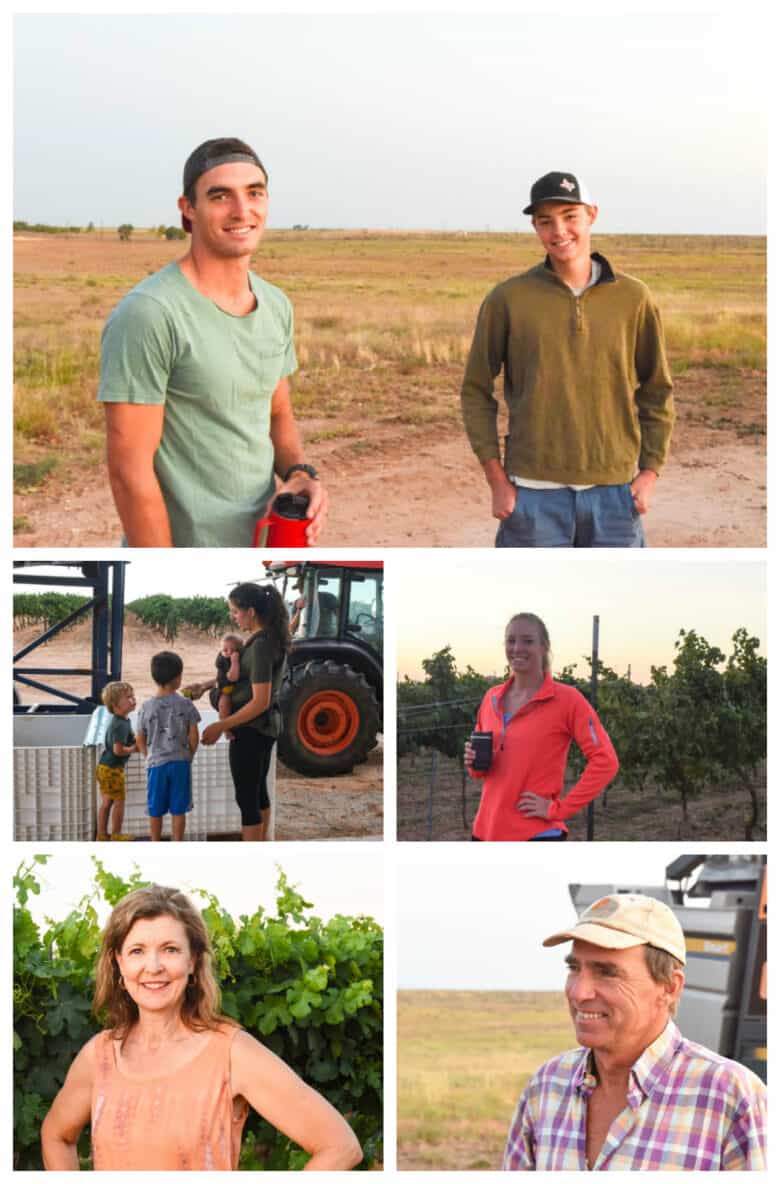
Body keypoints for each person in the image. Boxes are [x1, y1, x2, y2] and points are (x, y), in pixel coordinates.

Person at [97, 136, 328, 547]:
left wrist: (299, 474)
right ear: (189, 209)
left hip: (261, 543)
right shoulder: (150, 313)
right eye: (220, 196)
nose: (242, 211)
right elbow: (129, 473)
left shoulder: (275, 305)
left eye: (254, 193)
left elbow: (276, 414)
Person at [40, 885, 363, 1170]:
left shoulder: (231, 1053)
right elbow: (55, 1136)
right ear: (119, 963)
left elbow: (340, 1147)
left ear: (193, 961)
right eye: (137, 951)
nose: (153, 967)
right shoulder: (98, 1057)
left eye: (170, 950)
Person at [461, 171, 674, 548]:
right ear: (535, 228)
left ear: (592, 214)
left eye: (570, 216)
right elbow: (476, 391)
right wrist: (497, 481)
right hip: (532, 495)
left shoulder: (634, 299)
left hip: (615, 496)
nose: (559, 230)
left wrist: (650, 473)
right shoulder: (508, 299)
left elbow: (656, 391)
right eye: (546, 221)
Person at [503, 893, 767, 1170]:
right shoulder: (546, 1087)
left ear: (669, 987)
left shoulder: (732, 1100)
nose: (579, 992)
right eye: (574, 968)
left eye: (607, 972)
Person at [464, 613, 618, 840]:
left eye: (527, 641)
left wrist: (560, 809)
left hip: (536, 834)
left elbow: (606, 761)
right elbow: (479, 772)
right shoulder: (491, 698)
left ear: (544, 647)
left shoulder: (567, 700)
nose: (517, 648)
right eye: (511, 640)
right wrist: (473, 761)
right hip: (485, 831)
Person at [188, 583, 290, 841]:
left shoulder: (260, 646)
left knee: (247, 798)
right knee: (257, 793)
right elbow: (242, 678)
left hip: (252, 729)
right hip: (263, 728)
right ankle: (263, 843)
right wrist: (206, 686)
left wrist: (220, 725)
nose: (232, 616)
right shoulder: (263, 640)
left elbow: (259, 701)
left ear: (251, 611)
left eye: (235, 611)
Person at [136, 652, 201, 841]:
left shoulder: (146, 707)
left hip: (156, 764)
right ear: (178, 678)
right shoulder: (186, 704)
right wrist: (189, 755)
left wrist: (149, 755)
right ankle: (177, 843)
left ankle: (156, 843)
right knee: (178, 809)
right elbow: (194, 735)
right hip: (180, 762)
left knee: (155, 809)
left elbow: (140, 737)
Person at [95, 681, 138, 841]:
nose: (133, 699)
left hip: (104, 767)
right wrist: (134, 749)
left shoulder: (122, 721)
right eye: (128, 697)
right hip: (112, 769)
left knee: (106, 802)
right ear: (115, 705)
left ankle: (101, 834)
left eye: (133, 696)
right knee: (119, 801)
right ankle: (116, 834)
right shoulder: (119, 725)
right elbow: (118, 750)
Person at [212, 633, 244, 740]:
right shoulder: (223, 660)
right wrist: (234, 661)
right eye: (225, 650)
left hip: (235, 688)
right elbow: (232, 677)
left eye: (233, 650)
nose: (229, 653)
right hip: (225, 689)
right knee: (224, 705)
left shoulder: (242, 657)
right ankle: (225, 729)